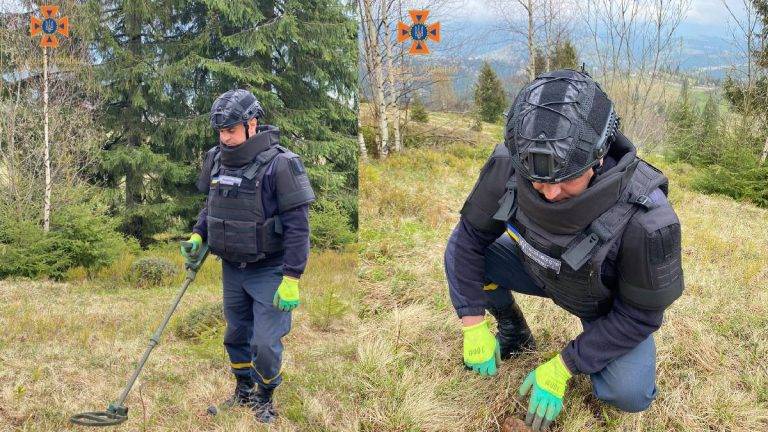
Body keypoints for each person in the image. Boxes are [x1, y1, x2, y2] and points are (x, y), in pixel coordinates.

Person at [444, 69, 684, 431]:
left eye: (567, 179)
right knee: (474, 258)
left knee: (629, 392)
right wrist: (472, 321)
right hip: (536, 266)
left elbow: (641, 316)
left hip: (602, 302)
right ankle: (513, 328)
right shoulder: (512, 164)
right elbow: (467, 241)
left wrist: (564, 365)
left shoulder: (647, 218)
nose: (550, 193)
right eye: (538, 180)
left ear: (599, 156)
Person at [180, 89, 315, 423]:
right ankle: (243, 390)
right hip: (232, 267)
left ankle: (265, 396)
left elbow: (299, 228)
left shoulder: (281, 165)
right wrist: (199, 234)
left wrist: (292, 278)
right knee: (236, 334)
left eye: (231, 129)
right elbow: (212, 204)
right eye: (221, 131)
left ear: (252, 124)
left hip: (270, 269)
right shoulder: (216, 158)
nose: (225, 137)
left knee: (266, 343)